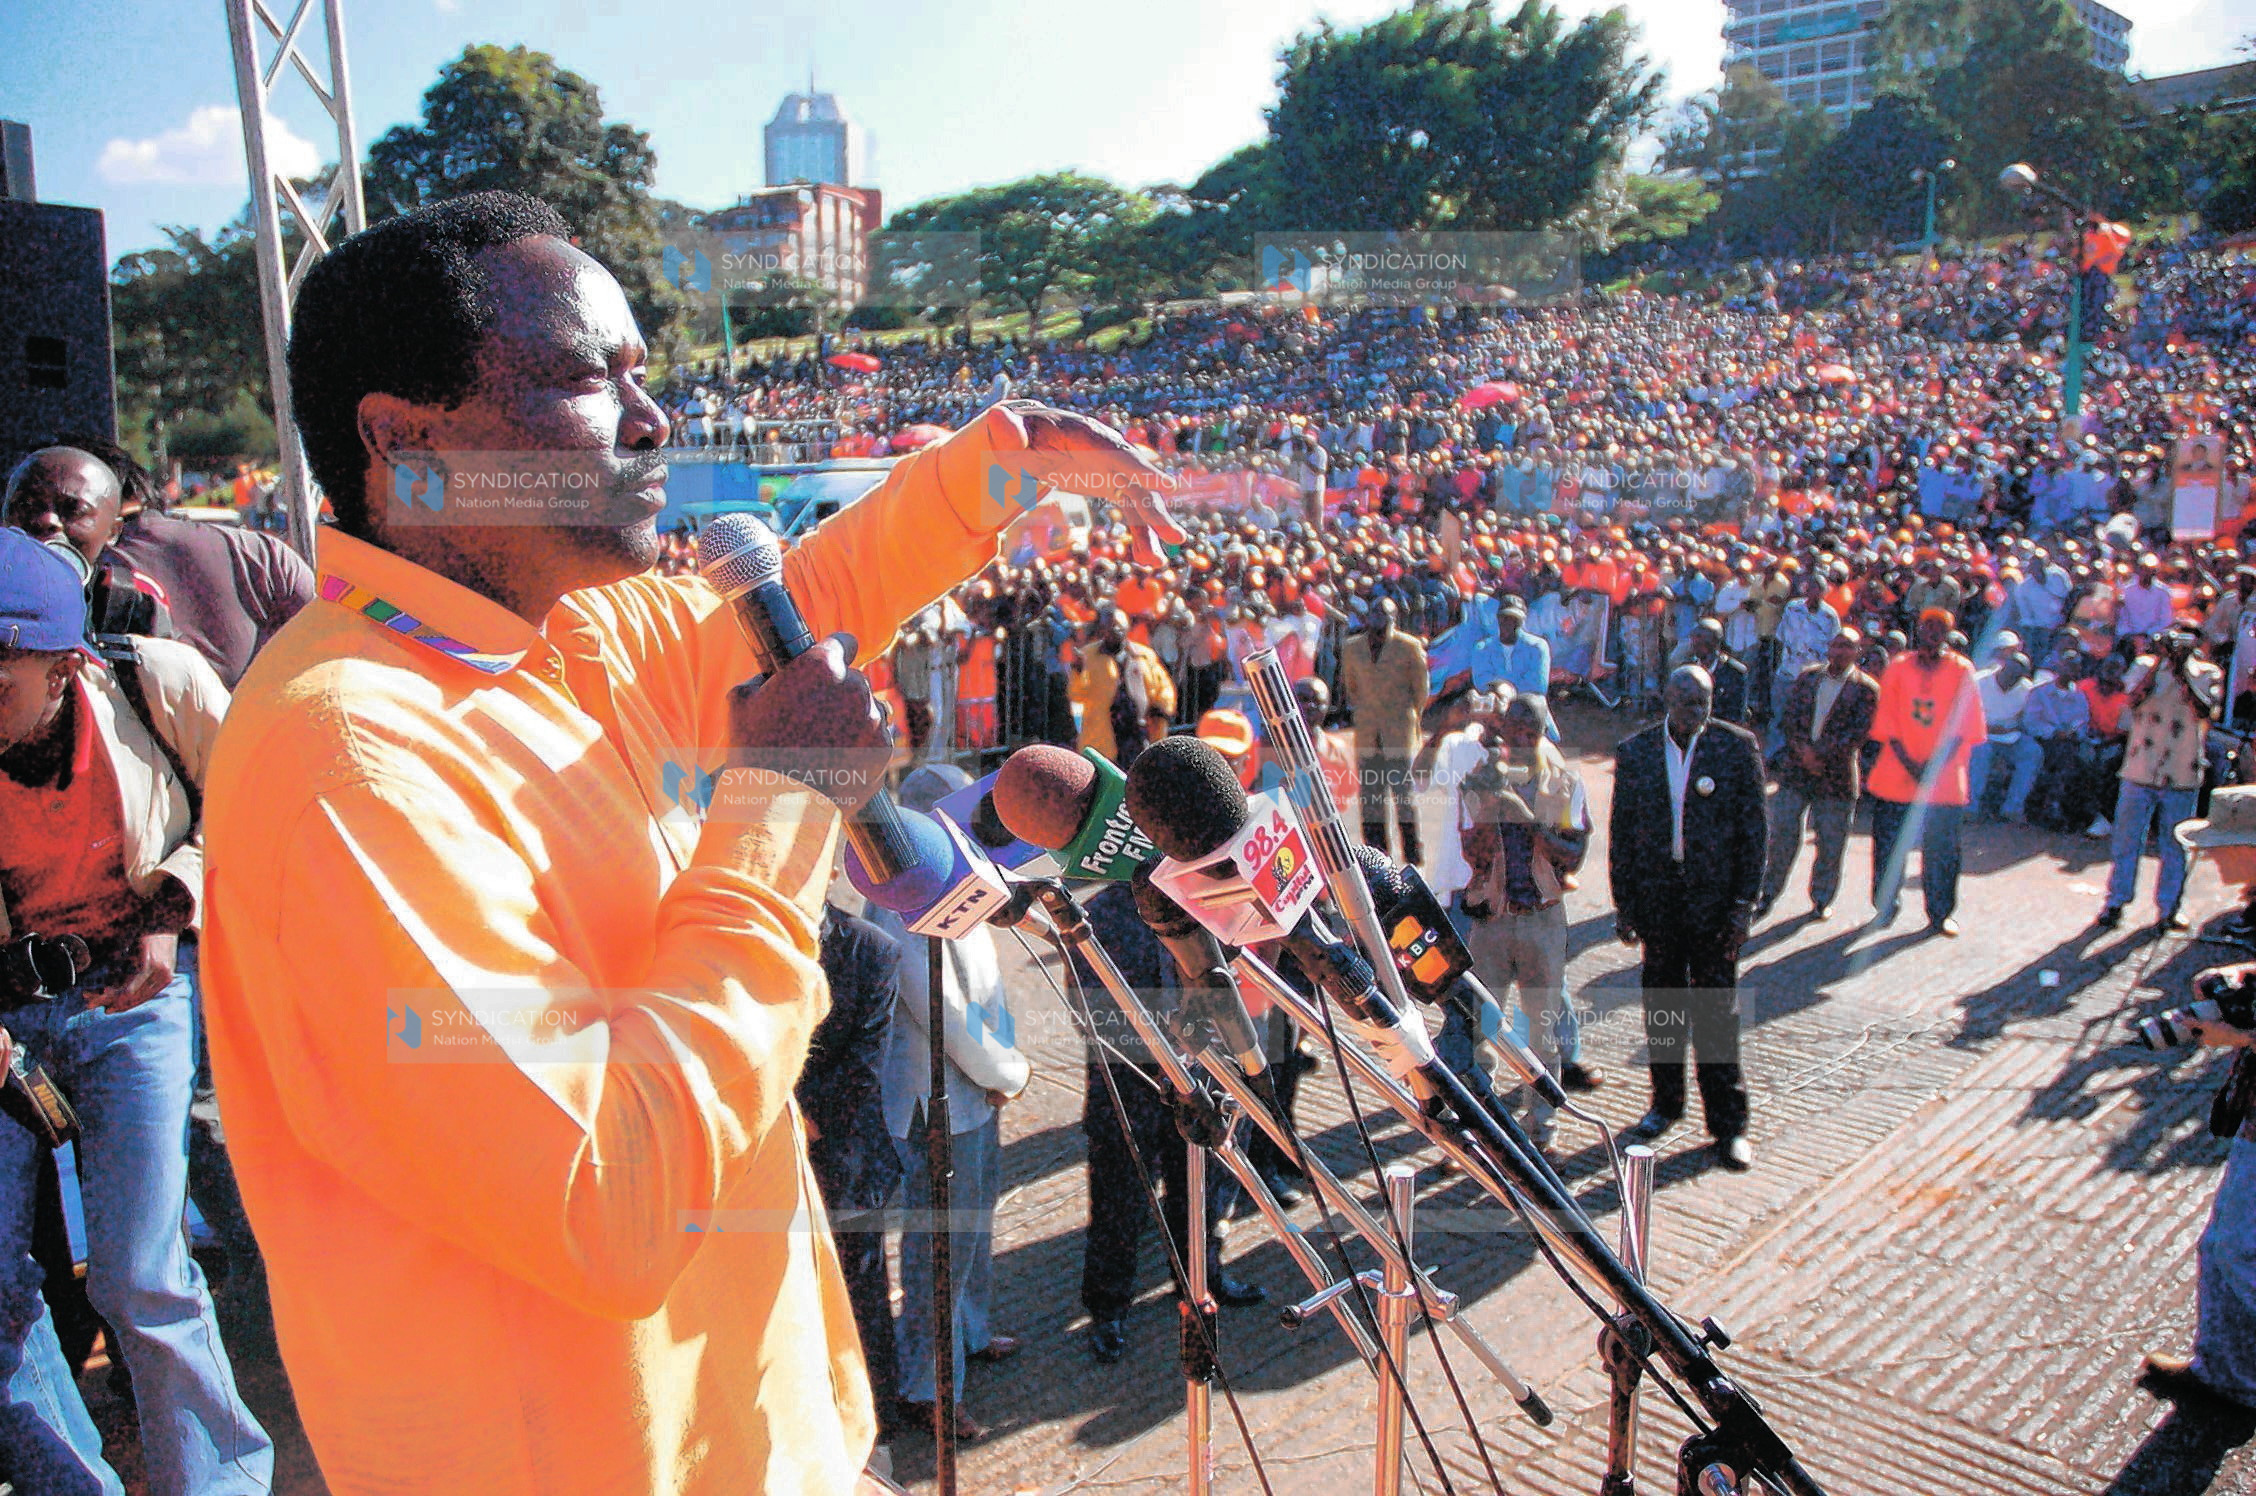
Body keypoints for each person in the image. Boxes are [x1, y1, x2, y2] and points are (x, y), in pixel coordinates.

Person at [198, 192, 1176, 1495]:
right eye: (584, 382)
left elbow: (811, 597)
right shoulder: (348, 757)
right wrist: (780, 800)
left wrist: (999, 461)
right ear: (404, 439)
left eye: (640, 375)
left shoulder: (563, 632)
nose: (653, 421)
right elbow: (611, 1192)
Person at [0, 527, 273, 1493]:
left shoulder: (157, 684)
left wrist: (168, 910)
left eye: (2, 682)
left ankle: (222, 1484)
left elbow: (255, 803)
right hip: (4, 1017)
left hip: (133, 994)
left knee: (140, 1276)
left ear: (67, 662)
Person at [871, 766, 1029, 1443]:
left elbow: (989, 992)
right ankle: (926, 1387)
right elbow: (941, 1011)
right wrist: (1005, 1071)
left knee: (972, 1231)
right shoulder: (901, 896)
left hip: (978, 1090)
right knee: (938, 1246)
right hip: (933, 1102)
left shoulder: (963, 880)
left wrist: (1004, 1071)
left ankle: (968, 1336)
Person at [1073, 884, 1264, 1367]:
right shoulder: (1095, 914)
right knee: (1120, 1197)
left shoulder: (1205, 899)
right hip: (1128, 1081)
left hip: (1200, 1075)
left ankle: (1202, 1275)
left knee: (1200, 1186)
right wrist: (1155, 1054)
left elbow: (1230, 976)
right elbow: (1088, 1010)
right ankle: (1108, 1306)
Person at [1609, 664, 1766, 1170]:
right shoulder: (1636, 753)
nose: (1695, 713)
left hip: (1715, 905)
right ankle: (1665, 1104)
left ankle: (1728, 1127)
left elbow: (1754, 834)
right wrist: (1625, 904)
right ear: (1665, 700)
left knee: (1717, 1016)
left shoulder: (1735, 748)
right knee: (1664, 1007)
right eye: (1685, 703)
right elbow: (1622, 832)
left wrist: (1744, 905)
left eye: (1703, 702)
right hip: (1660, 902)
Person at [1459, 693, 1592, 1149]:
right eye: (1512, 732)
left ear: (1541, 734)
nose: (1519, 741)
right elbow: (1471, 857)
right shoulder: (1478, 780)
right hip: (1492, 921)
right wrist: (1490, 809)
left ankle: (1542, 1132)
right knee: (1477, 1029)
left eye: (1529, 734)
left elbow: (1573, 857)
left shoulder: (1566, 784)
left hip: (1542, 919)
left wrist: (1530, 821)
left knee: (1543, 1031)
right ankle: (1481, 1129)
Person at [803, 898, 906, 1439]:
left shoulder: (870, 949)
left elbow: (859, 1078)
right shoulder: (742, 938)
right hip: (759, 1171)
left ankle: (876, 1434)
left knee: (861, 1312)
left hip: (842, 1170)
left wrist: (781, 1117)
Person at [1866, 609, 1986, 938]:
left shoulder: (1962, 670)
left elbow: (1966, 726)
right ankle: (1884, 906)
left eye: (1939, 629)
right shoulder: (1899, 666)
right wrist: (1912, 765)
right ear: (1918, 630)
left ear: (1948, 633)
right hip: (1896, 773)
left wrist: (1931, 769)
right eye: (1926, 627)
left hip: (1943, 780)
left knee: (1942, 851)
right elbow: (1886, 721)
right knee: (1888, 846)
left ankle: (1940, 914)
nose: (1932, 633)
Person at [2098, 622, 2222, 932]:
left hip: (2181, 768)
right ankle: (2116, 902)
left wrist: (2182, 672)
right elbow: (2133, 698)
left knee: (2175, 843)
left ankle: (2169, 908)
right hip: (2141, 766)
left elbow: (2204, 711)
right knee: (2127, 838)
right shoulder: (2144, 666)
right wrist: (2159, 662)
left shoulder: (2207, 673)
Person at [1758, 627, 1877, 922]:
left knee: (1831, 840)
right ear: (1828, 649)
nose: (1839, 652)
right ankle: (1769, 892)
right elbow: (1789, 719)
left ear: (1857, 652)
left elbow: (1858, 734)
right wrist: (1803, 751)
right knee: (1782, 831)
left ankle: (1822, 898)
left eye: (1847, 647)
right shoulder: (1808, 677)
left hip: (1836, 775)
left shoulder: (1866, 689)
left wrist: (1820, 754)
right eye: (1836, 646)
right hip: (1797, 769)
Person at [1337, 597, 1430, 865]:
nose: (1380, 621)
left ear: (1395, 619)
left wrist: (1407, 718)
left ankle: (1412, 856)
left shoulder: (1409, 648)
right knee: (1370, 799)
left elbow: (1420, 692)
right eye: (1376, 615)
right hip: (1367, 733)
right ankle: (1377, 856)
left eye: (1386, 616)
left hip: (1398, 732)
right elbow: (1351, 686)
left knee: (1403, 798)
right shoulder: (1351, 648)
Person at [1069, 606, 1176, 770]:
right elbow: (1076, 695)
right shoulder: (1088, 656)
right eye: (1109, 626)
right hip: (1105, 733)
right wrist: (1078, 672)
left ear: (1127, 627)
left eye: (1118, 625)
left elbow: (1163, 686)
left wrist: (1162, 708)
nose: (1114, 630)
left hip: (1138, 730)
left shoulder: (1143, 655)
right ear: (1102, 629)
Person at [1680, 617, 1750, 726]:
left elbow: (1736, 715)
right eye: (1695, 642)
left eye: (1702, 643)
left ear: (1715, 644)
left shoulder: (1734, 673)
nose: (1696, 647)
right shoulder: (1688, 670)